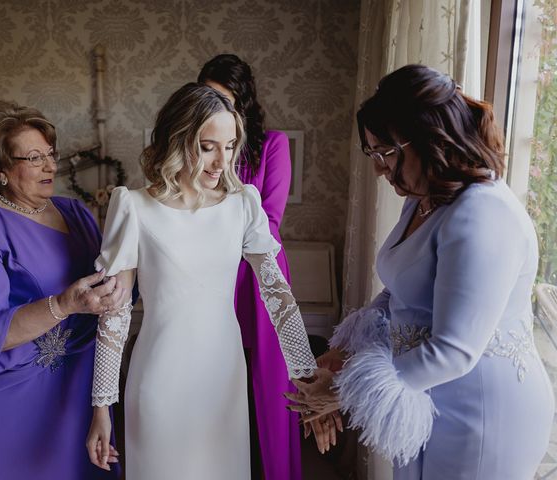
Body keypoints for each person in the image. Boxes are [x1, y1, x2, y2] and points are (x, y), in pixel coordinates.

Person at [288, 64, 555, 479]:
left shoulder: (482, 214)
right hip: (424, 399)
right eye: (373, 154)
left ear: (428, 139)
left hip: (482, 412)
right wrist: (344, 353)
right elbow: (401, 293)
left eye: (385, 153)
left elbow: (454, 350)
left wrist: (344, 391)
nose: (379, 168)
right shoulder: (425, 199)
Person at [85, 83, 318, 479]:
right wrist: (102, 408)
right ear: (178, 140)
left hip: (223, 379)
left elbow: (277, 295)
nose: (221, 161)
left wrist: (306, 374)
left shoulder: (243, 204)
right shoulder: (133, 206)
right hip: (159, 377)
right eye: (208, 146)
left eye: (230, 147)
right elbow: (115, 315)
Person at [0, 100, 125, 479]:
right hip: (25, 387)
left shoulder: (75, 212)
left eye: (50, 154)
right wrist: (63, 304)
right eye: (33, 157)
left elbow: (112, 285)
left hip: (91, 379)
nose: (51, 166)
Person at [197, 53, 299, 480]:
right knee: (214, 382)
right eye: (206, 97)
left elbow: (270, 222)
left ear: (242, 101)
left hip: (259, 276)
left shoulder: (272, 145)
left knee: (267, 387)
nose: (214, 108)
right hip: (208, 277)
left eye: (222, 98)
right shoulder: (192, 149)